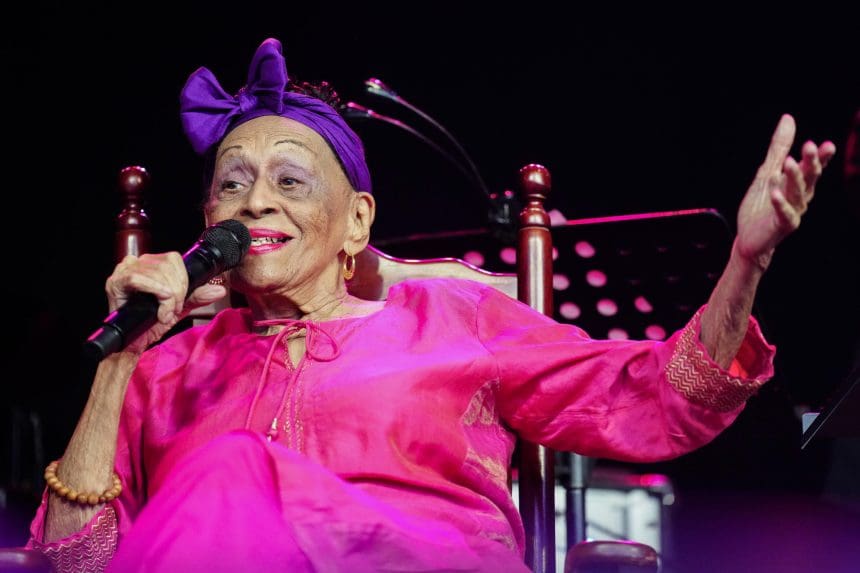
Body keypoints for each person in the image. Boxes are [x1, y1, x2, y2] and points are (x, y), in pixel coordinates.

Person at [23, 38, 835, 573]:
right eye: (231, 183)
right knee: (226, 472)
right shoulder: (166, 369)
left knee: (233, 466)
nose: (254, 203)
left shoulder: (455, 321)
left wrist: (746, 259)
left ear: (358, 223)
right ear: (207, 218)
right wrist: (120, 361)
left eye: (289, 181)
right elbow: (75, 565)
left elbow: (658, 398)